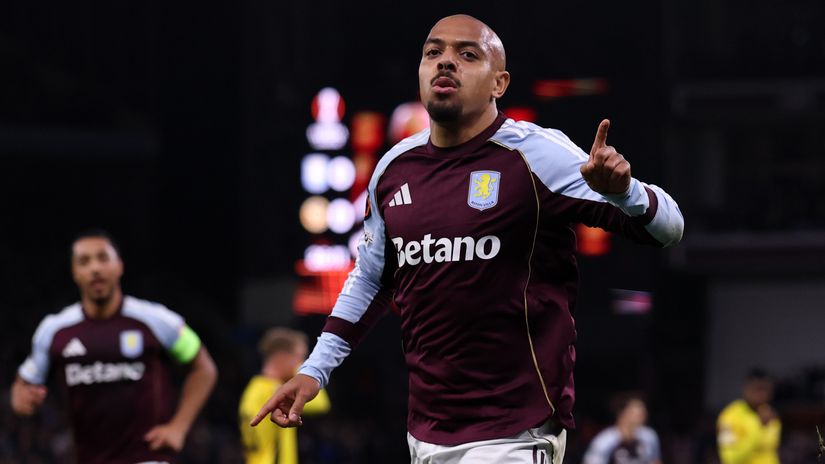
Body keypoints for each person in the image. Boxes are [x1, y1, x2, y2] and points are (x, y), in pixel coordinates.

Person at [251, 14, 684, 464]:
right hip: (425, 433)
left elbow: (671, 228)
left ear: (500, 83)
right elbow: (370, 280)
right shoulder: (393, 170)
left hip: (516, 431)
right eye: (433, 52)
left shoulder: (536, 155)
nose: (445, 62)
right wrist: (314, 371)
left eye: (467, 54)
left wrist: (625, 193)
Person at [10, 230, 218, 464]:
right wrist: (21, 399)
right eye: (84, 261)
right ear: (75, 273)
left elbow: (204, 368)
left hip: (148, 457)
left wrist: (179, 427)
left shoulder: (159, 320)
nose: (95, 268)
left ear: (119, 266)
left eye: (103, 258)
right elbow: (24, 385)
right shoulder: (54, 330)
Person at [239, 327, 330, 464]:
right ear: (282, 357)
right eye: (300, 358)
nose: (304, 364)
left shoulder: (255, 387)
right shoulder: (275, 391)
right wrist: (307, 373)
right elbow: (321, 403)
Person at [717, 369, 780, 464]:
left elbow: (771, 453)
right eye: (758, 389)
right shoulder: (729, 417)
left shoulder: (770, 414)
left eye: (766, 390)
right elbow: (730, 459)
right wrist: (759, 427)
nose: (762, 395)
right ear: (746, 389)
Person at [583, 393, 662, 464]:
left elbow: (655, 460)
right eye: (636, 412)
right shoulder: (605, 440)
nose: (642, 415)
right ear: (621, 413)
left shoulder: (649, 436)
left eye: (643, 411)